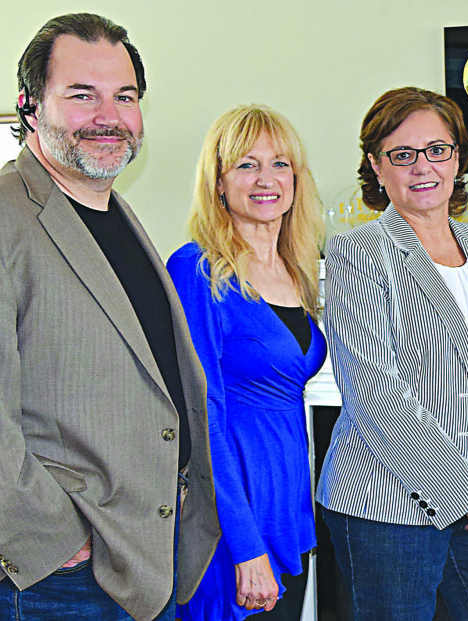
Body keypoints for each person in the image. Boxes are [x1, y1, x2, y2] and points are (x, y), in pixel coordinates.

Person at [0, 13, 219, 621]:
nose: (108, 115)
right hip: (59, 580)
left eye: (124, 96)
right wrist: (56, 540)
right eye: (81, 95)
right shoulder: (5, 218)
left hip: (143, 559)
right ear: (29, 104)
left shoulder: (113, 212)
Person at [316, 86, 468, 620]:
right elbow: (374, 394)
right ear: (376, 166)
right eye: (402, 154)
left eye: (437, 150)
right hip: (385, 505)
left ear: (458, 157)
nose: (423, 167)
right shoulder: (359, 253)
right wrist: (464, 493)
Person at [167, 104, 326, 620]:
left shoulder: (297, 269)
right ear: (218, 182)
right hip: (232, 518)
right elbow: (201, 414)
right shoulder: (198, 269)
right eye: (246, 164)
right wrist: (244, 545)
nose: (266, 179)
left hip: (290, 507)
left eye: (281, 164)